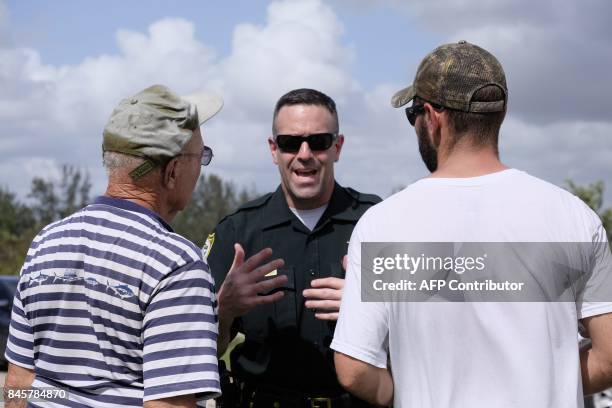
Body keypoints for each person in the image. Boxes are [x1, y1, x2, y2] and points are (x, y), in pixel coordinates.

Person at [332, 41, 612, 407]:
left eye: (413, 113)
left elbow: (353, 368)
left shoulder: (383, 224)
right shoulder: (575, 216)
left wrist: (409, 390)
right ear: (502, 112)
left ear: (432, 118)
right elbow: (607, 357)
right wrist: (542, 379)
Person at [4, 84, 224, 408]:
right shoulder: (176, 264)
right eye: (201, 156)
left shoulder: (46, 242)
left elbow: (18, 384)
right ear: (173, 171)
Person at [206, 88, 381, 407]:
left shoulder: (379, 223)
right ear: (274, 150)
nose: (304, 154)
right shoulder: (237, 232)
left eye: (318, 141)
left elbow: (424, 333)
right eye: (290, 143)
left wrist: (372, 307)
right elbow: (198, 354)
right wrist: (225, 309)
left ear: (337, 147)